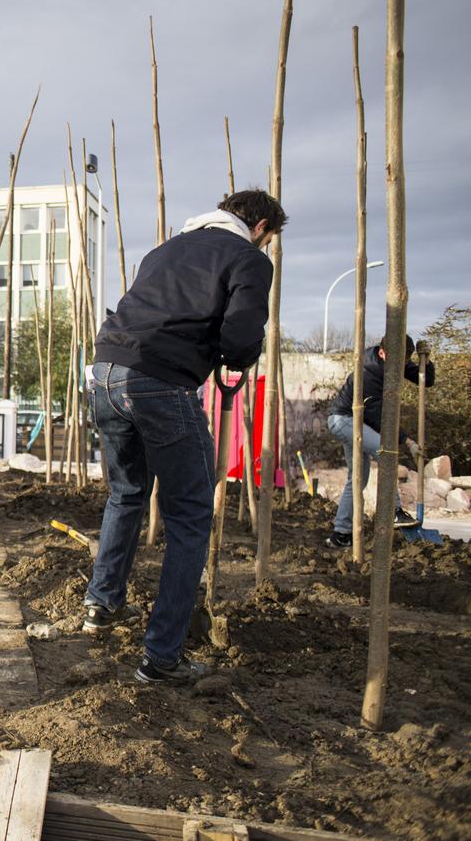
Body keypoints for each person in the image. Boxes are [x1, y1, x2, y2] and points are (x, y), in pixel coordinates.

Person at [83, 189, 283, 685]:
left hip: (105, 370)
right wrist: (234, 356)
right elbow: (239, 340)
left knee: (127, 492)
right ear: (260, 228)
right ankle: (161, 657)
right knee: (191, 514)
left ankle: (102, 605)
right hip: (159, 381)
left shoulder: (165, 249)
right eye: (269, 240)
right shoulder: (247, 259)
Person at [324, 334, 430, 547]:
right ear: (382, 353)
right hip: (344, 420)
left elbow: (427, 381)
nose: (401, 366)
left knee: (358, 479)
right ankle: (395, 512)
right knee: (386, 453)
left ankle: (341, 534)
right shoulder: (369, 371)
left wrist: (425, 361)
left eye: (404, 362)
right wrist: (408, 442)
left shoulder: (395, 360)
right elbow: (379, 418)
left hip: (358, 422)